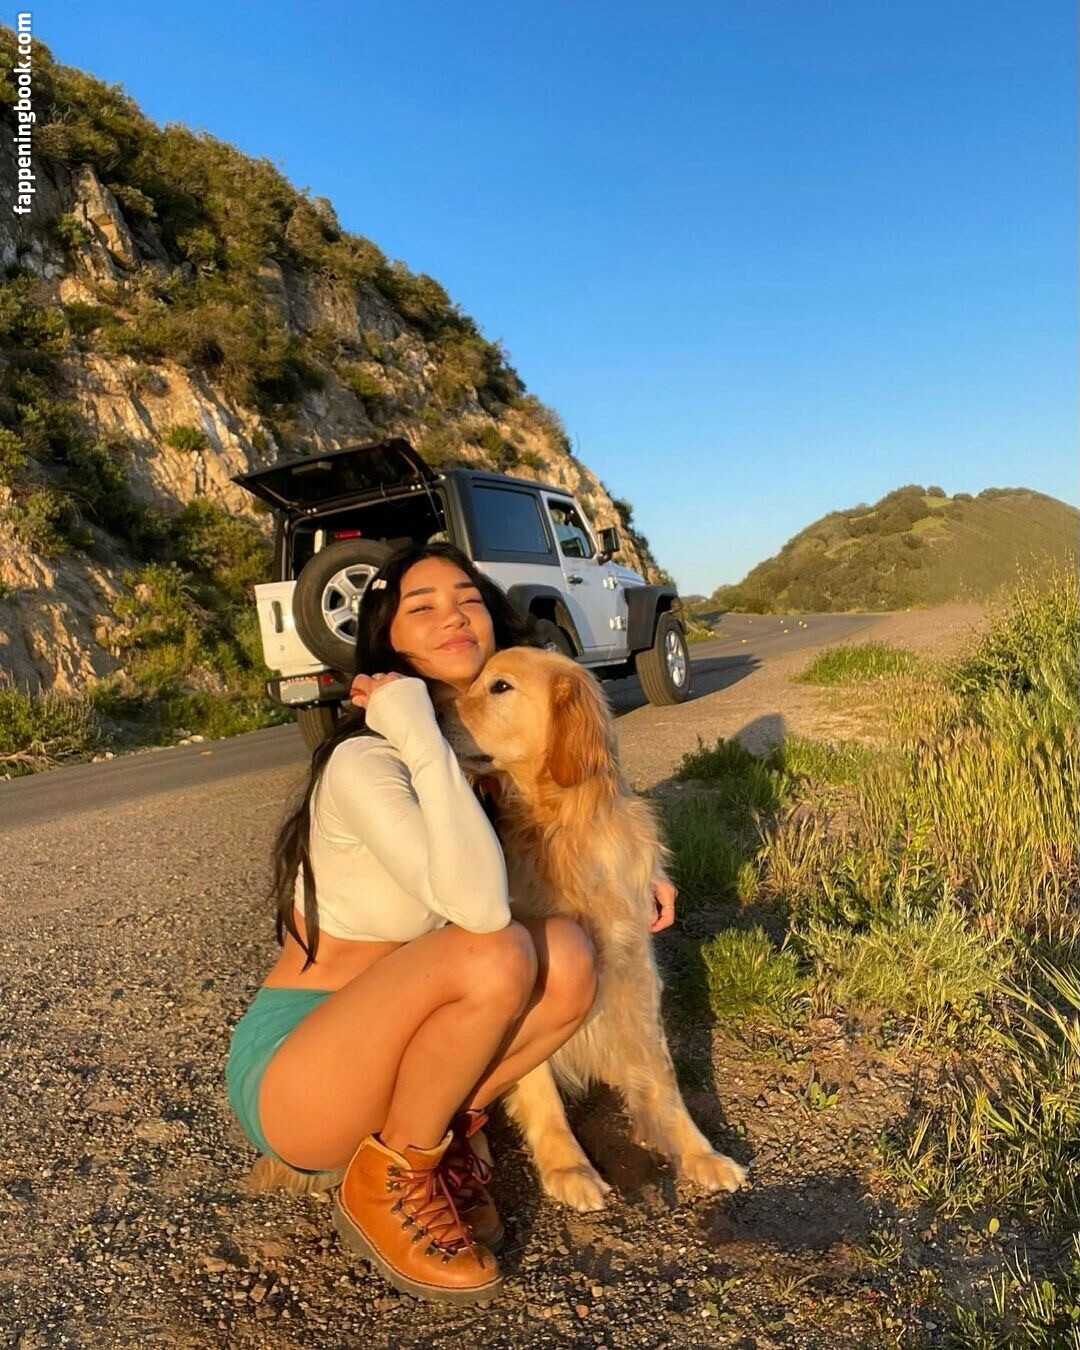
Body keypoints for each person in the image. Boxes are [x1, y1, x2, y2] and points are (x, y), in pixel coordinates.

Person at [225, 539, 678, 1305]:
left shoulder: (482, 749)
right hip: (301, 1073)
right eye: (423, 606)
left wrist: (640, 871)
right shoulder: (369, 760)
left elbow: (575, 798)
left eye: (468, 599)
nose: (455, 616)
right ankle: (391, 1181)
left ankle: (435, 1143)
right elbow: (477, 908)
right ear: (389, 639)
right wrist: (412, 726)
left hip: (398, 1053)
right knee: (497, 952)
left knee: (569, 954)